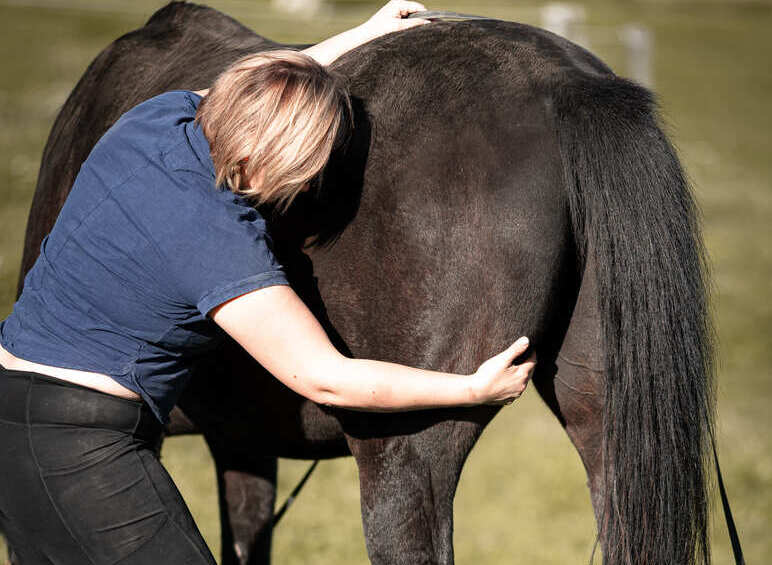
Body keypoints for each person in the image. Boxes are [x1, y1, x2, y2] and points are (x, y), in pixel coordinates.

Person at [0, 2, 536, 563]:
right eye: (303, 167)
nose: (302, 187)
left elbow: (249, 90)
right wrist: (472, 388)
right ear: (268, 155)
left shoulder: (161, 118)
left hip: (16, 414)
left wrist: (365, 34)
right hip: (80, 449)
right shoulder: (215, 237)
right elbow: (329, 380)